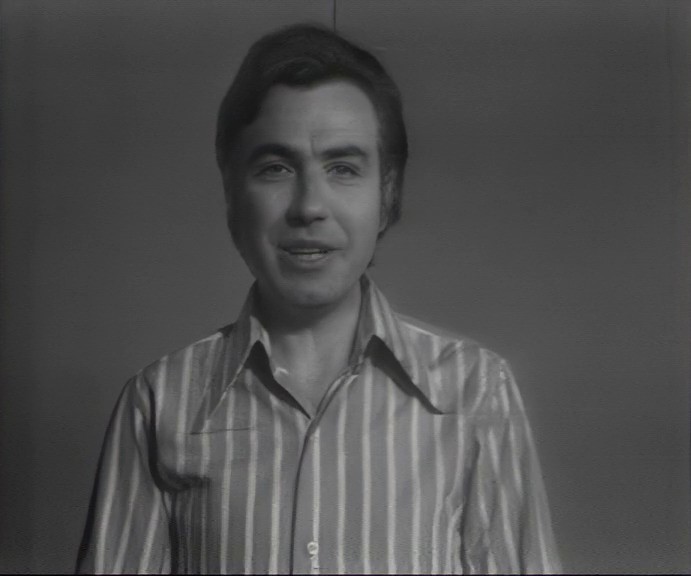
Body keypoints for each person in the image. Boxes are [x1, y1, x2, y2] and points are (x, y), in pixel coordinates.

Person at [76, 23, 561, 575]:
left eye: (343, 168)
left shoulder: (476, 391)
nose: (309, 206)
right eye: (276, 168)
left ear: (388, 194)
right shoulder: (158, 402)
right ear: (232, 194)